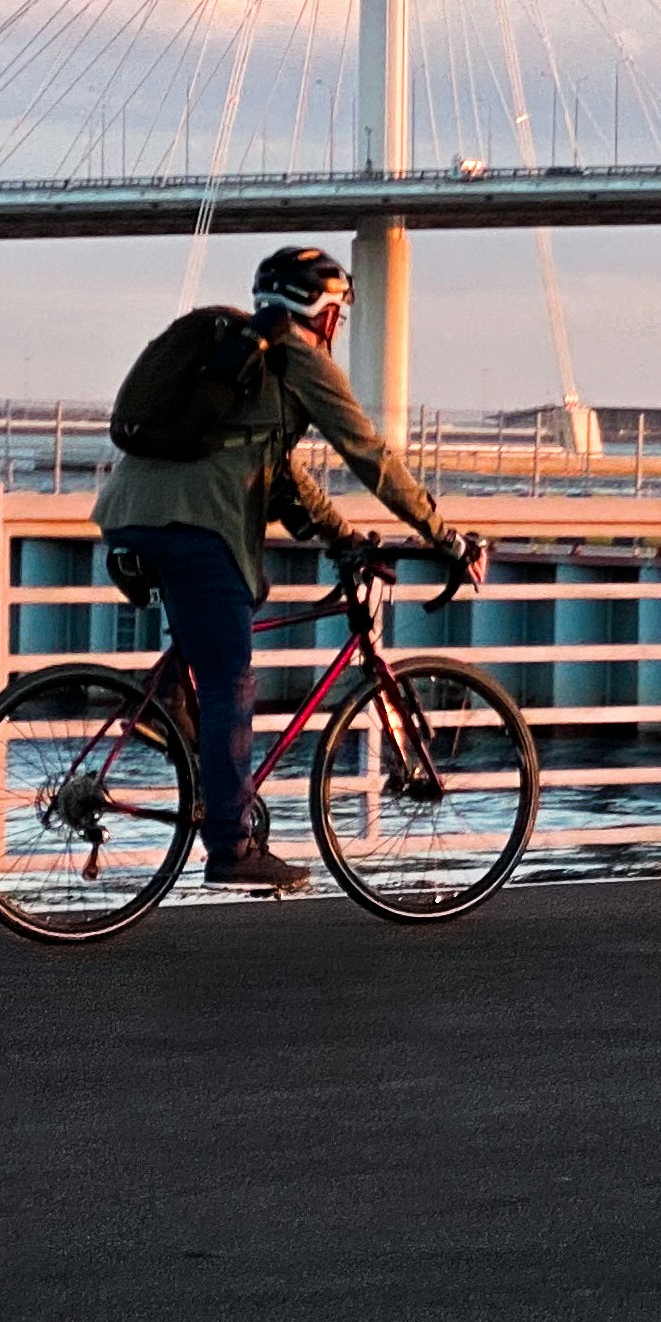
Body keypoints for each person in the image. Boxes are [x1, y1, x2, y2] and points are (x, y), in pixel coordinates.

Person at [96, 245, 475, 892]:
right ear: (323, 311)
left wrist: (342, 536)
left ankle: (169, 715)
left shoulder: (251, 356)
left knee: (200, 664)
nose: (338, 328)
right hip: (196, 526)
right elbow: (368, 452)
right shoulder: (299, 355)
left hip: (130, 513)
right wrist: (441, 535)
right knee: (230, 686)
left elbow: (276, 469)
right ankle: (232, 847)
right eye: (338, 314)